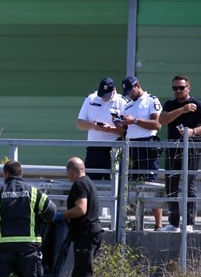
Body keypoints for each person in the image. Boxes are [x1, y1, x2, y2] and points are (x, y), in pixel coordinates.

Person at [55, 157, 103, 277]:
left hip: (86, 234)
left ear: (71, 170)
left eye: (67, 172)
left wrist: (62, 215)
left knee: (82, 272)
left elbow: (81, 209)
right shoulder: (89, 182)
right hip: (93, 231)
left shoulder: (79, 185)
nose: (68, 176)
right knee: (81, 270)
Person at [121, 75, 165, 230]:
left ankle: (158, 224)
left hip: (147, 145)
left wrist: (134, 121)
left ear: (137, 85)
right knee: (133, 185)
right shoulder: (127, 105)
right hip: (131, 146)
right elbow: (126, 128)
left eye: (131, 90)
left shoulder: (151, 100)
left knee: (151, 185)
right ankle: (136, 223)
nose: (130, 94)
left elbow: (157, 124)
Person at [158, 75, 201, 232]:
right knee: (171, 184)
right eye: (175, 88)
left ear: (188, 88)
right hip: (173, 149)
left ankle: (189, 222)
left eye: (181, 88)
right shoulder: (170, 104)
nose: (178, 91)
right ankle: (174, 222)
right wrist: (182, 110)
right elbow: (162, 120)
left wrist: (192, 132)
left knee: (189, 185)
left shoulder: (197, 105)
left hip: (192, 149)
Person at [75, 77, 128, 180]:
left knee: (113, 182)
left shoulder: (122, 102)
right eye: (102, 95)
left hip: (113, 149)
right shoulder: (91, 98)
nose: (104, 98)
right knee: (91, 182)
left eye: (107, 95)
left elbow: (126, 132)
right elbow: (79, 123)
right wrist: (93, 126)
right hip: (93, 148)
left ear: (114, 91)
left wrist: (110, 129)